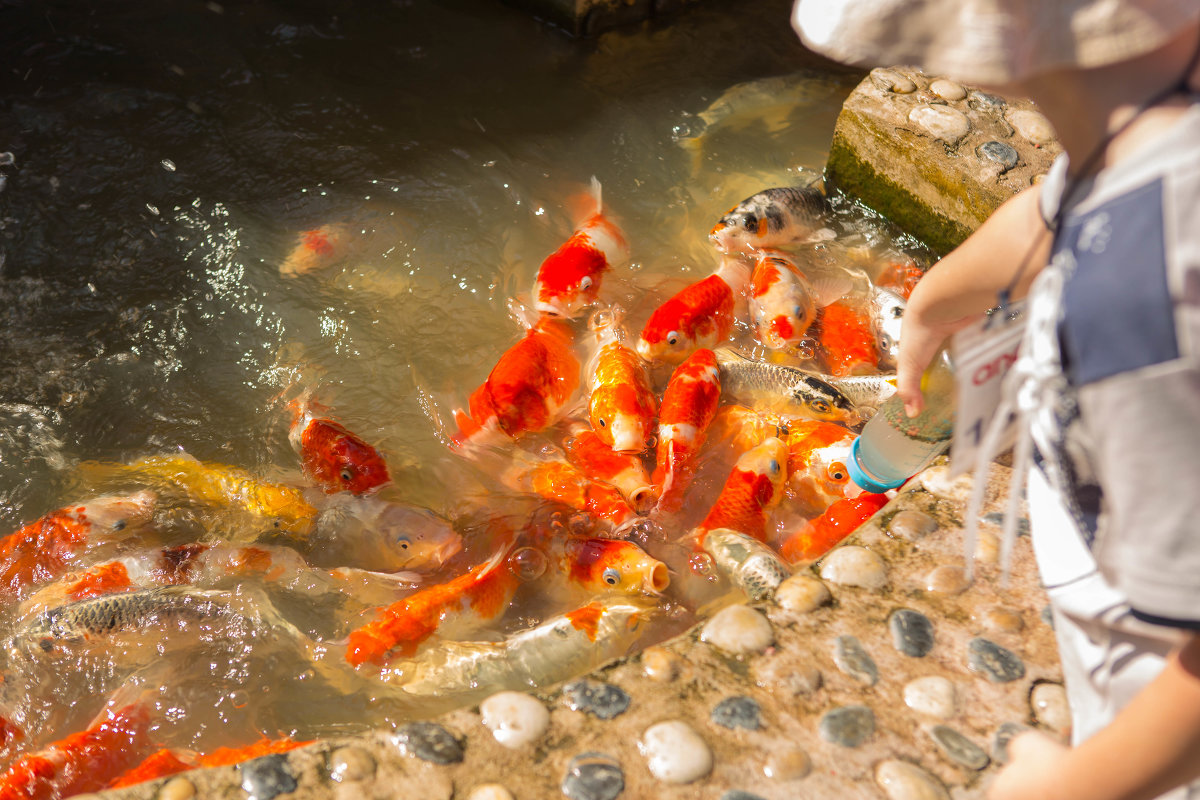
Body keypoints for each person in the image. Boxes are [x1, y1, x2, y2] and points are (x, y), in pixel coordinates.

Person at [791, 2, 1200, 799]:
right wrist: (936, 299)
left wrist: (1072, 785)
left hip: (1158, 692)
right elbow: (1054, 209)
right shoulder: (1155, 123)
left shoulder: (1138, 302)